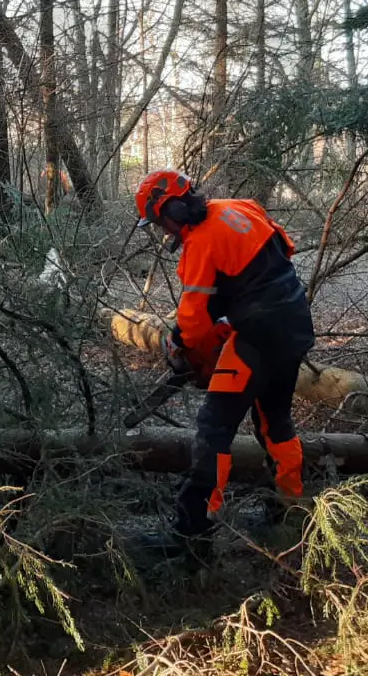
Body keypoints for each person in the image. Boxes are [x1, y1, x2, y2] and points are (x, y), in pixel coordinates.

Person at [134, 168, 316, 546]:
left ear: (172, 212)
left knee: (213, 428)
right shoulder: (241, 207)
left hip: (257, 336)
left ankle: (192, 530)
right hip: (294, 323)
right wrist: (229, 318)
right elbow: (274, 259)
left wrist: (180, 347)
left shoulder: (199, 244)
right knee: (275, 422)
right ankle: (292, 510)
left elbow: (194, 324)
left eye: (160, 222)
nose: (164, 231)